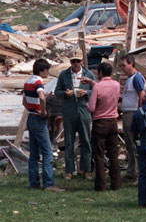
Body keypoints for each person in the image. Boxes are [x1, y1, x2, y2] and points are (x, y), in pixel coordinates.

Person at [23, 59, 64, 192]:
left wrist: (32, 109)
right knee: (47, 152)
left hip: (31, 117)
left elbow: (24, 101)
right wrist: (43, 111)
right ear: (43, 70)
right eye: (47, 70)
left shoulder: (27, 81)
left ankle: (34, 182)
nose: (48, 73)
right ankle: (48, 183)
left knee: (34, 153)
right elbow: (41, 96)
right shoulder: (37, 82)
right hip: (39, 120)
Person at [55, 48, 96, 180]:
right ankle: (69, 170)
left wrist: (86, 93)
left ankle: (86, 169)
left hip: (84, 111)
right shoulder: (64, 75)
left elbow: (96, 91)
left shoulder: (89, 74)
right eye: (73, 62)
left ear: (82, 61)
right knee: (69, 141)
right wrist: (65, 94)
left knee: (85, 141)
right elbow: (57, 92)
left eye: (77, 61)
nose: (75, 64)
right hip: (69, 112)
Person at [87, 61, 122, 191]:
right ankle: (116, 184)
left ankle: (100, 185)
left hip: (100, 122)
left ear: (100, 73)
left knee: (99, 155)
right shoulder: (116, 85)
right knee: (114, 154)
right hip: (113, 121)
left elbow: (91, 107)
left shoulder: (97, 87)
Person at [120, 54, 145, 183]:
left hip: (133, 114)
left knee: (135, 144)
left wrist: (139, 112)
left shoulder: (137, 78)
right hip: (127, 113)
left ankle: (138, 173)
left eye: (123, 65)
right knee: (129, 144)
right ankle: (131, 171)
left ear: (131, 63)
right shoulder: (130, 79)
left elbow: (142, 94)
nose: (122, 68)